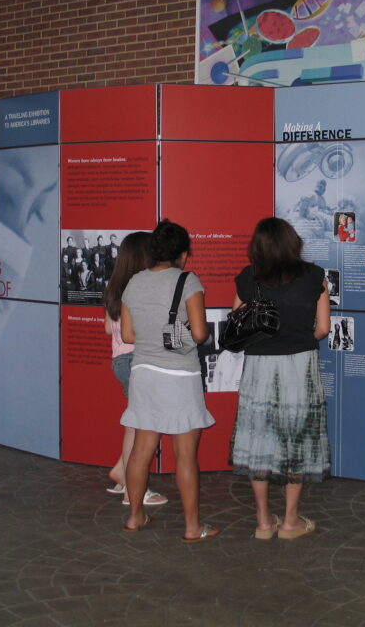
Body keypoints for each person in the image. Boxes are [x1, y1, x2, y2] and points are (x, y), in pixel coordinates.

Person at [230, 217, 330, 540]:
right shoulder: (314, 276)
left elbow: (237, 322)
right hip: (301, 366)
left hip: (260, 366)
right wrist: (299, 338)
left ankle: (262, 521)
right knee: (298, 438)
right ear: (292, 242)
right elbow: (324, 329)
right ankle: (290, 521)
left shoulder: (249, 278)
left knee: (259, 439)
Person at [120, 219, 219, 541]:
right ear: (183, 254)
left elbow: (128, 334)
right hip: (180, 375)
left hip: (143, 373)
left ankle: (135, 517)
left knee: (141, 450)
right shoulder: (188, 282)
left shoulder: (133, 283)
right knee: (186, 455)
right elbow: (201, 332)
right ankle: (192, 527)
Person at [103, 232, 168, 509]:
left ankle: (121, 471)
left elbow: (108, 328)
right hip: (138, 361)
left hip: (120, 361)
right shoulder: (142, 288)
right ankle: (134, 490)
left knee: (135, 423)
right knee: (141, 429)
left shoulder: (115, 286)